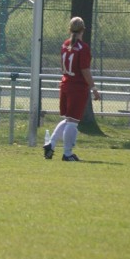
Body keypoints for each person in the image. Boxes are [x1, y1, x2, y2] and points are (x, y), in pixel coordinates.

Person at [43, 16, 100, 161]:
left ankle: (51, 144)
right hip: (77, 87)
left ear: (70, 29)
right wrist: (93, 88)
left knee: (68, 120)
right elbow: (85, 70)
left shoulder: (65, 44)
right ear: (83, 30)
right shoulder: (83, 48)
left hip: (65, 84)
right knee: (73, 122)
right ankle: (67, 153)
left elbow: (63, 67)